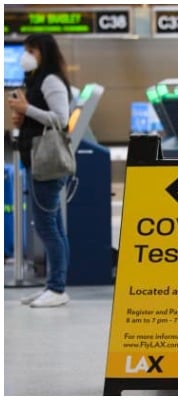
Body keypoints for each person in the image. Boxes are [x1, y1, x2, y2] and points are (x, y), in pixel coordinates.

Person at [8, 34, 73, 307]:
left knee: (47, 227)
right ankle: (53, 286)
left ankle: (57, 288)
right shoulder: (36, 79)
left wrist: (27, 109)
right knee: (53, 225)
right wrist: (23, 115)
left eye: (30, 50)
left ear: (42, 51)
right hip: (36, 159)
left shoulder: (51, 80)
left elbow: (61, 119)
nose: (26, 55)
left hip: (47, 162)